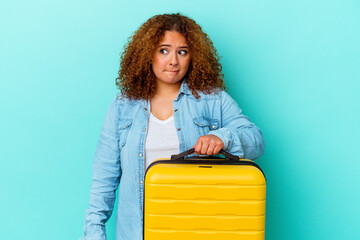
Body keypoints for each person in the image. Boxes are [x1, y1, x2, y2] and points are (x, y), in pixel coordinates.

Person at [80, 13, 265, 240]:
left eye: (182, 52)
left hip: (198, 230)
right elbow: (104, 179)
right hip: (137, 233)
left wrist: (222, 137)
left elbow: (256, 140)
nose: (173, 61)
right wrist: (93, 233)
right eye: (164, 50)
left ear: (193, 56)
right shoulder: (122, 106)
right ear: (148, 54)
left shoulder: (213, 100)